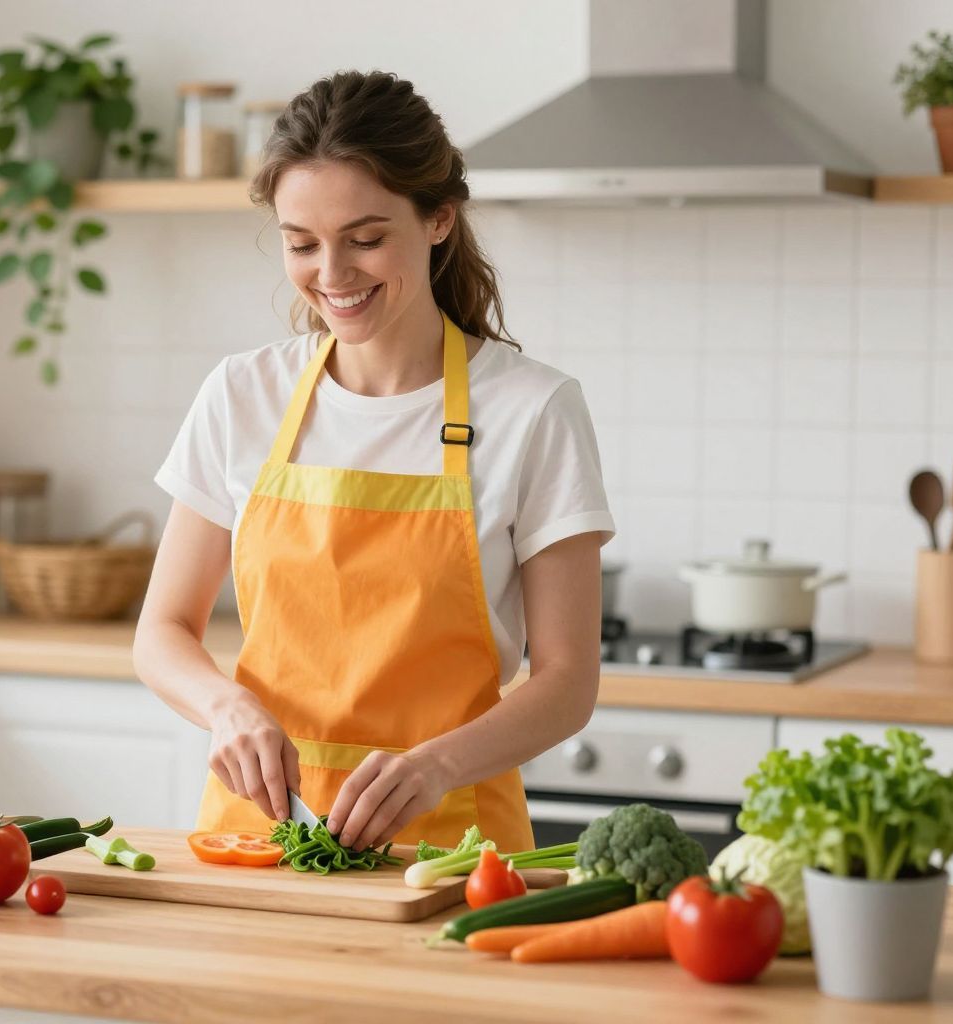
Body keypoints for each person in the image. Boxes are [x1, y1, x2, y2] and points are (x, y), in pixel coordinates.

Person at [132, 70, 614, 853]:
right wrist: (224, 706)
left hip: (452, 853)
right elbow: (162, 631)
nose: (332, 275)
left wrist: (435, 767)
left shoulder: (534, 410)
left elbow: (567, 683)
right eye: (301, 244)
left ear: (438, 221)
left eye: (365, 239)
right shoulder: (241, 394)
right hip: (262, 842)